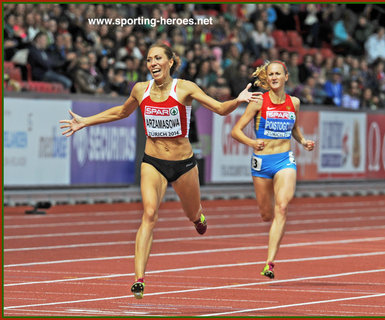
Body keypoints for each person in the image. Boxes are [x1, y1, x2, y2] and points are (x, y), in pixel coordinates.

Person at [60, 43, 262, 299]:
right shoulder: (140, 89)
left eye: (157, 58)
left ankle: (199, 216)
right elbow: (122, 111)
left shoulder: (185, 87)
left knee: (192, 212)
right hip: (153, 161)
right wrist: (85, 121)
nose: (152, 63)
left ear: (169, 62)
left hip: (184, 164)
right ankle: (139, 279)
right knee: (149, 213)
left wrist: (238, 100)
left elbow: (220, 109)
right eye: (148, 59)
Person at [230, 61, 315, 279]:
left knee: (283, 207)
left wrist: (303, 141)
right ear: (266, 79)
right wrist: (252, 143)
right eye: (271, 74)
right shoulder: (258, 102)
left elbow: (294, 128)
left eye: (278, 74)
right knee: (266, 213)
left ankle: (269, 263)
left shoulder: (293, 102)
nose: (274, 77)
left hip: (284, 160)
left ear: (286, 76)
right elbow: (235, 131)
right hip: (261, 161)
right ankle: (268, 226)